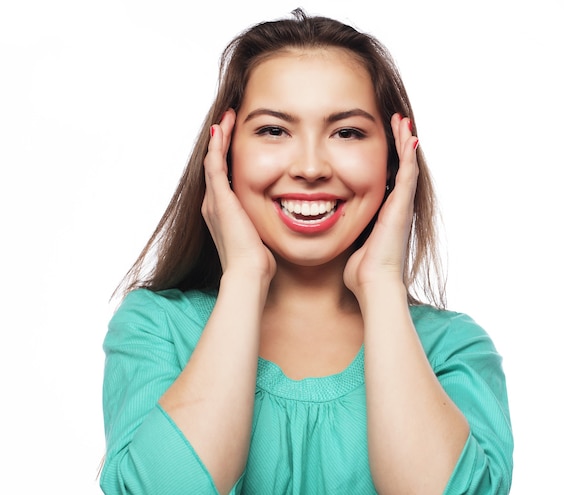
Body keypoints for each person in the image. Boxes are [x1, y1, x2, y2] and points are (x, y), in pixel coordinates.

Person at [100, 9, 513, 495]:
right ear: (225, 154)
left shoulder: (453, 349)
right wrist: (245, 277)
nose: (312, 167)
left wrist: (382, 283)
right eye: (274, 130)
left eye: (348, 132)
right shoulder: (157, 328)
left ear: (394, 162)